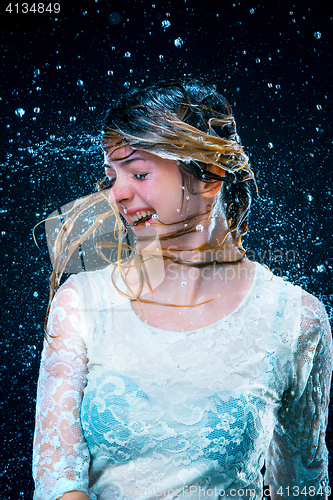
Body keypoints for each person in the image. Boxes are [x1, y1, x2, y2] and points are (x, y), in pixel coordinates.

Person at [32, 80, 332, 500]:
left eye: (138, 173)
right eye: (110, 176)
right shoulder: (82, 303)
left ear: (208, 177)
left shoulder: (295, 320)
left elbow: (303, 487)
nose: (117, 193)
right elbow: (58, 480)